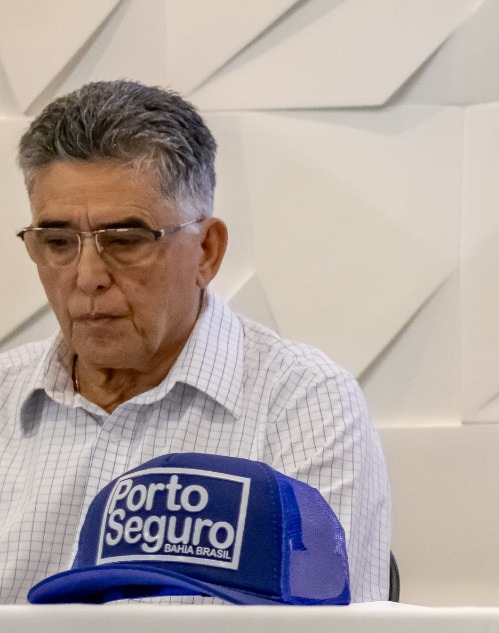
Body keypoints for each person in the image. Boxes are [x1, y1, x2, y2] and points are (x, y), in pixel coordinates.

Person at [0, 80, 392, 603]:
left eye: (125, 241)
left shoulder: (304, 403)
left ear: (206, 250)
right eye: (57, 242)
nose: (88, 276)